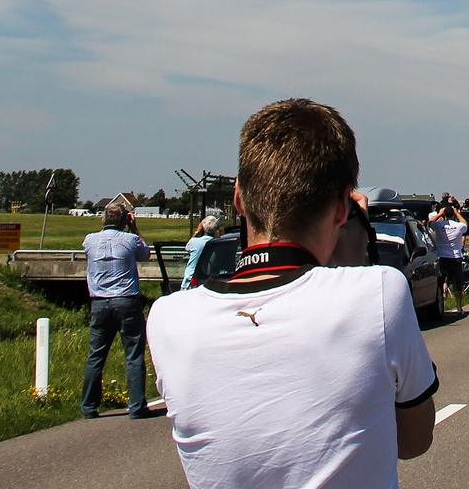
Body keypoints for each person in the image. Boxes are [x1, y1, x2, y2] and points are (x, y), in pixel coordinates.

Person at [147, 98, 437, 489]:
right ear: (341, 207)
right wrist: (353, 258)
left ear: (238, 199)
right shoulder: (379, 292)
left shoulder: (169, 319)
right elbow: (414, 441)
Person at [83, 203, 155, 419]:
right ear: (125, 220)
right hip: (126, 300)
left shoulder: (90, 240)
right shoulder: (130, 240)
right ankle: (136, 406)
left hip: (99, 302)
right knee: (133, 354)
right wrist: (135, 229)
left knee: (96, 355)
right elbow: (145, 254)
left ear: (103, 219)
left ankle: (89, 407)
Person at [429, 201, 469, 314]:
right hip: (456, 257)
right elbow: (465, 224)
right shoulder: (458, 226)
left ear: (444, 215)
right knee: (457, 282)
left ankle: (443, 294)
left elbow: (430, 223)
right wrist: (457, 213)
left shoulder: (439, 225)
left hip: (442, 256)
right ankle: (459, 306)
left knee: (442, 278)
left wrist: (439, 214)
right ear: (453, 214)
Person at [181, 215, 220, 291]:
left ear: (202, 227)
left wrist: (197, 231)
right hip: (210, 281)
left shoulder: (194, 242)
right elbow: (220, 238)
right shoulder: (218, 244)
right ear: (216, 228)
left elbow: (187, 247)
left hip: (190, 279)